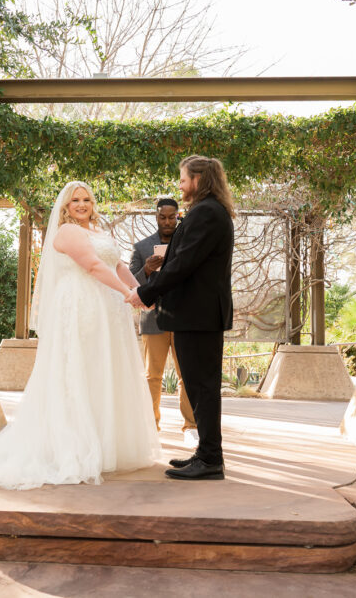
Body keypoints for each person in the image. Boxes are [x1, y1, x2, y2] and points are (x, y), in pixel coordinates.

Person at [0, 181, 161, 489]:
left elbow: (116, 264)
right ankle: (73, 447)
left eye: (86, 199)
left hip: (107, 310)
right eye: (75, 200)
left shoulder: (98, 231)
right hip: (82, 306)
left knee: (102, 371)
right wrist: (129, 294)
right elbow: (93, 266)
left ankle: (107, 446)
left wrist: (141, 290)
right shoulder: (67, 233)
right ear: (65, 206)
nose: (81, 204)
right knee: (77, 372)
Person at [126, 156, 235, 481]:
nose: (180, 184)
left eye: (184, 179)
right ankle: (205, 454)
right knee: (202, 387)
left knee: (202, 387)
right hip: (196, 315)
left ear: (199, 180)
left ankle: (211, 459)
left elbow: (182, 264)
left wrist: (145, 293)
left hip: (197, 316)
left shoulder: (206, 213)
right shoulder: (210, 211)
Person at [129, 198, 198, 446]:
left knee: (186, 376)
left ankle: (190, 427)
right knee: (152, 376)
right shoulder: (141, 248)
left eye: (172, 217)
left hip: (183, 318)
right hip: (153, 319)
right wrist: (146, 271)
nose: (167, 221)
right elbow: (131, 285)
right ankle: (151, 426)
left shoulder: (190, 244)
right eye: (162, 217)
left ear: (178, 216)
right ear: (156, 217)